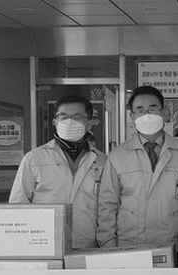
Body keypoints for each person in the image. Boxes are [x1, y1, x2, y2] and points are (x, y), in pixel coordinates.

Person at [97, 86, 178, 248]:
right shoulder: (118, 155)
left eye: (152, 109)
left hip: (174, 244)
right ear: (132, 116)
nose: (146, 115)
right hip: (130, 246)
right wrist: (109, 245)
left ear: (164, 113)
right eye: (140, 110)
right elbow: (107, 204)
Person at [9, 94, 106, 249]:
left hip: (88, 246)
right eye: (63, 117)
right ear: (55, 122)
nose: (69, 122)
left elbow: (107, 209)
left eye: (77, 117)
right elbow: (17, 206)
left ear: (89, 124)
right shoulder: (34, 159)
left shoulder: (102, 161)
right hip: (43, 245)